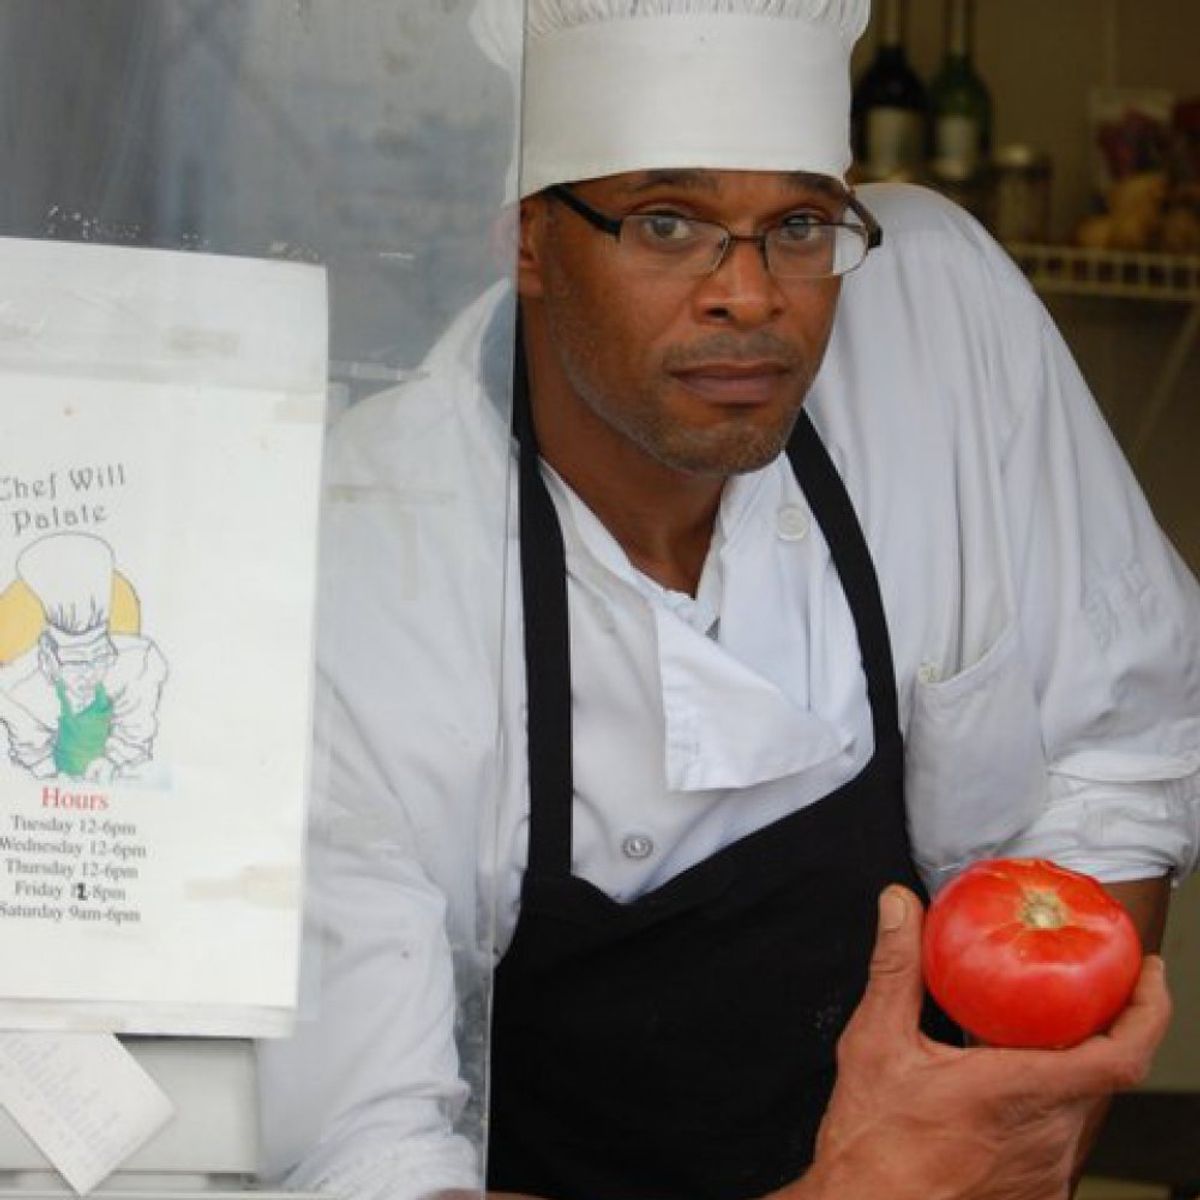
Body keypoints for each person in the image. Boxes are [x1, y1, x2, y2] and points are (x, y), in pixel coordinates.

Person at [258, 1, 1199, 1197]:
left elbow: (1113, 765)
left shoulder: (936, 315)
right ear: (531, 240)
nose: (750, 296)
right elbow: (365, 1165)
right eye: (668, 222)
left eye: (799, 225)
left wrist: (998, 1142)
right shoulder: (363, 554)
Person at [0, 533, 168, 782]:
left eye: (99, 657)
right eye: (76, 663)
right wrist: (55, 781)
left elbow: (134, 735)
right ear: (48, 657)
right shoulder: (15, 691)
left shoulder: (139, 664)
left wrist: (112, 762)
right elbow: (33, 757)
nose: (91, 674)